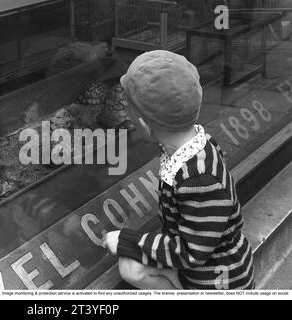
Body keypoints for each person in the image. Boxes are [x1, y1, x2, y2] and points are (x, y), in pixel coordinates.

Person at [103, 50, 255, 290]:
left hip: (218, 280)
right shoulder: (193, 145)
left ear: (143, 125)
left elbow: (191, 252)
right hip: (202, 263)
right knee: (131, 267)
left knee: (130, 266)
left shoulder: (200, 179)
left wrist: (127, 241)